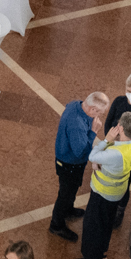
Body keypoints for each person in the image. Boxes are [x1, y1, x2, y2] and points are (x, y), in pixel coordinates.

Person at [74, 111, 131, 259]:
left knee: (93, 226)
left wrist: (106, 140)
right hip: (117, 192)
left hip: (103, 193)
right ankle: (102, 251)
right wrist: (101, 162)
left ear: (121, 128)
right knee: (105, 224)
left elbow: (92, 156)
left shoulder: (115, 153)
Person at [48, 92, 110, 242]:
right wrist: (93, 131)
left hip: (68, 162)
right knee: (65, 194)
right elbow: (80, 152)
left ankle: (68, 209)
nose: (100, 116)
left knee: (72, 189)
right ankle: (56, 224)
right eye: (100, 113)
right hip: (70, 164)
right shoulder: (77, 124)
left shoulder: (76, 104)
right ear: (92, 109)